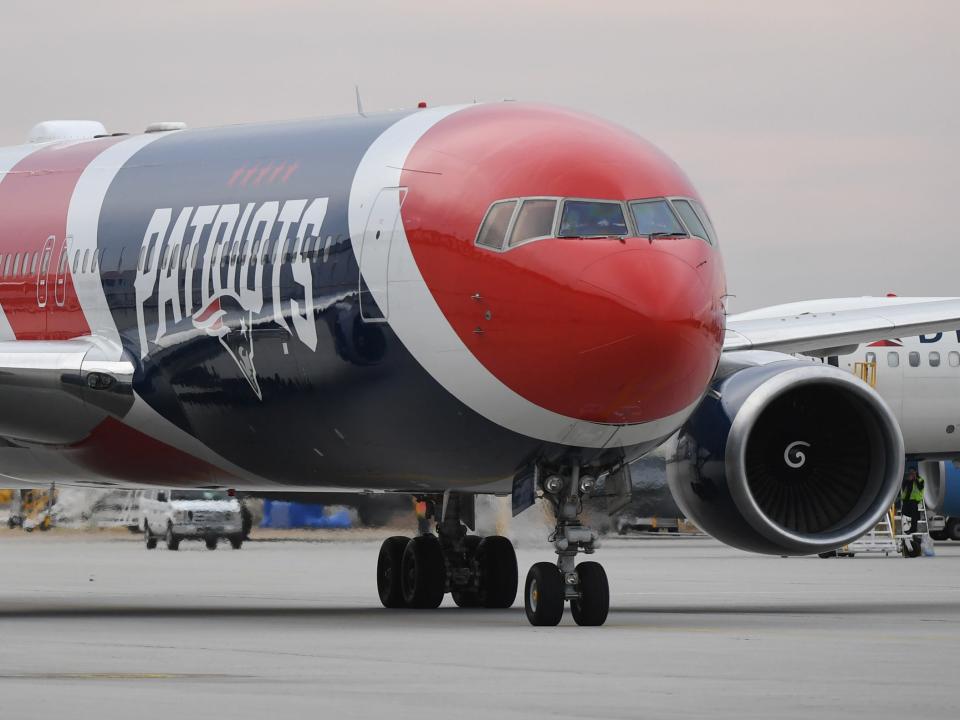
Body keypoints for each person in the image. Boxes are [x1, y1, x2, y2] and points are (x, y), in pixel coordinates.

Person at [900, 467, 925, 534]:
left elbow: (920, 487)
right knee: (904, 514)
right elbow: (903, 487)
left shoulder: (920, 479)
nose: (911, 473)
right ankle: (905, 528)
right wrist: (908, 480)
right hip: (906, 500)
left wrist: (915, 479)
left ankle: (913, 529)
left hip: (914, 500)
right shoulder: (907, 480)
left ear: (915, 472)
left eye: (912, 472)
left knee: (914, 516)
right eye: (910, 472)